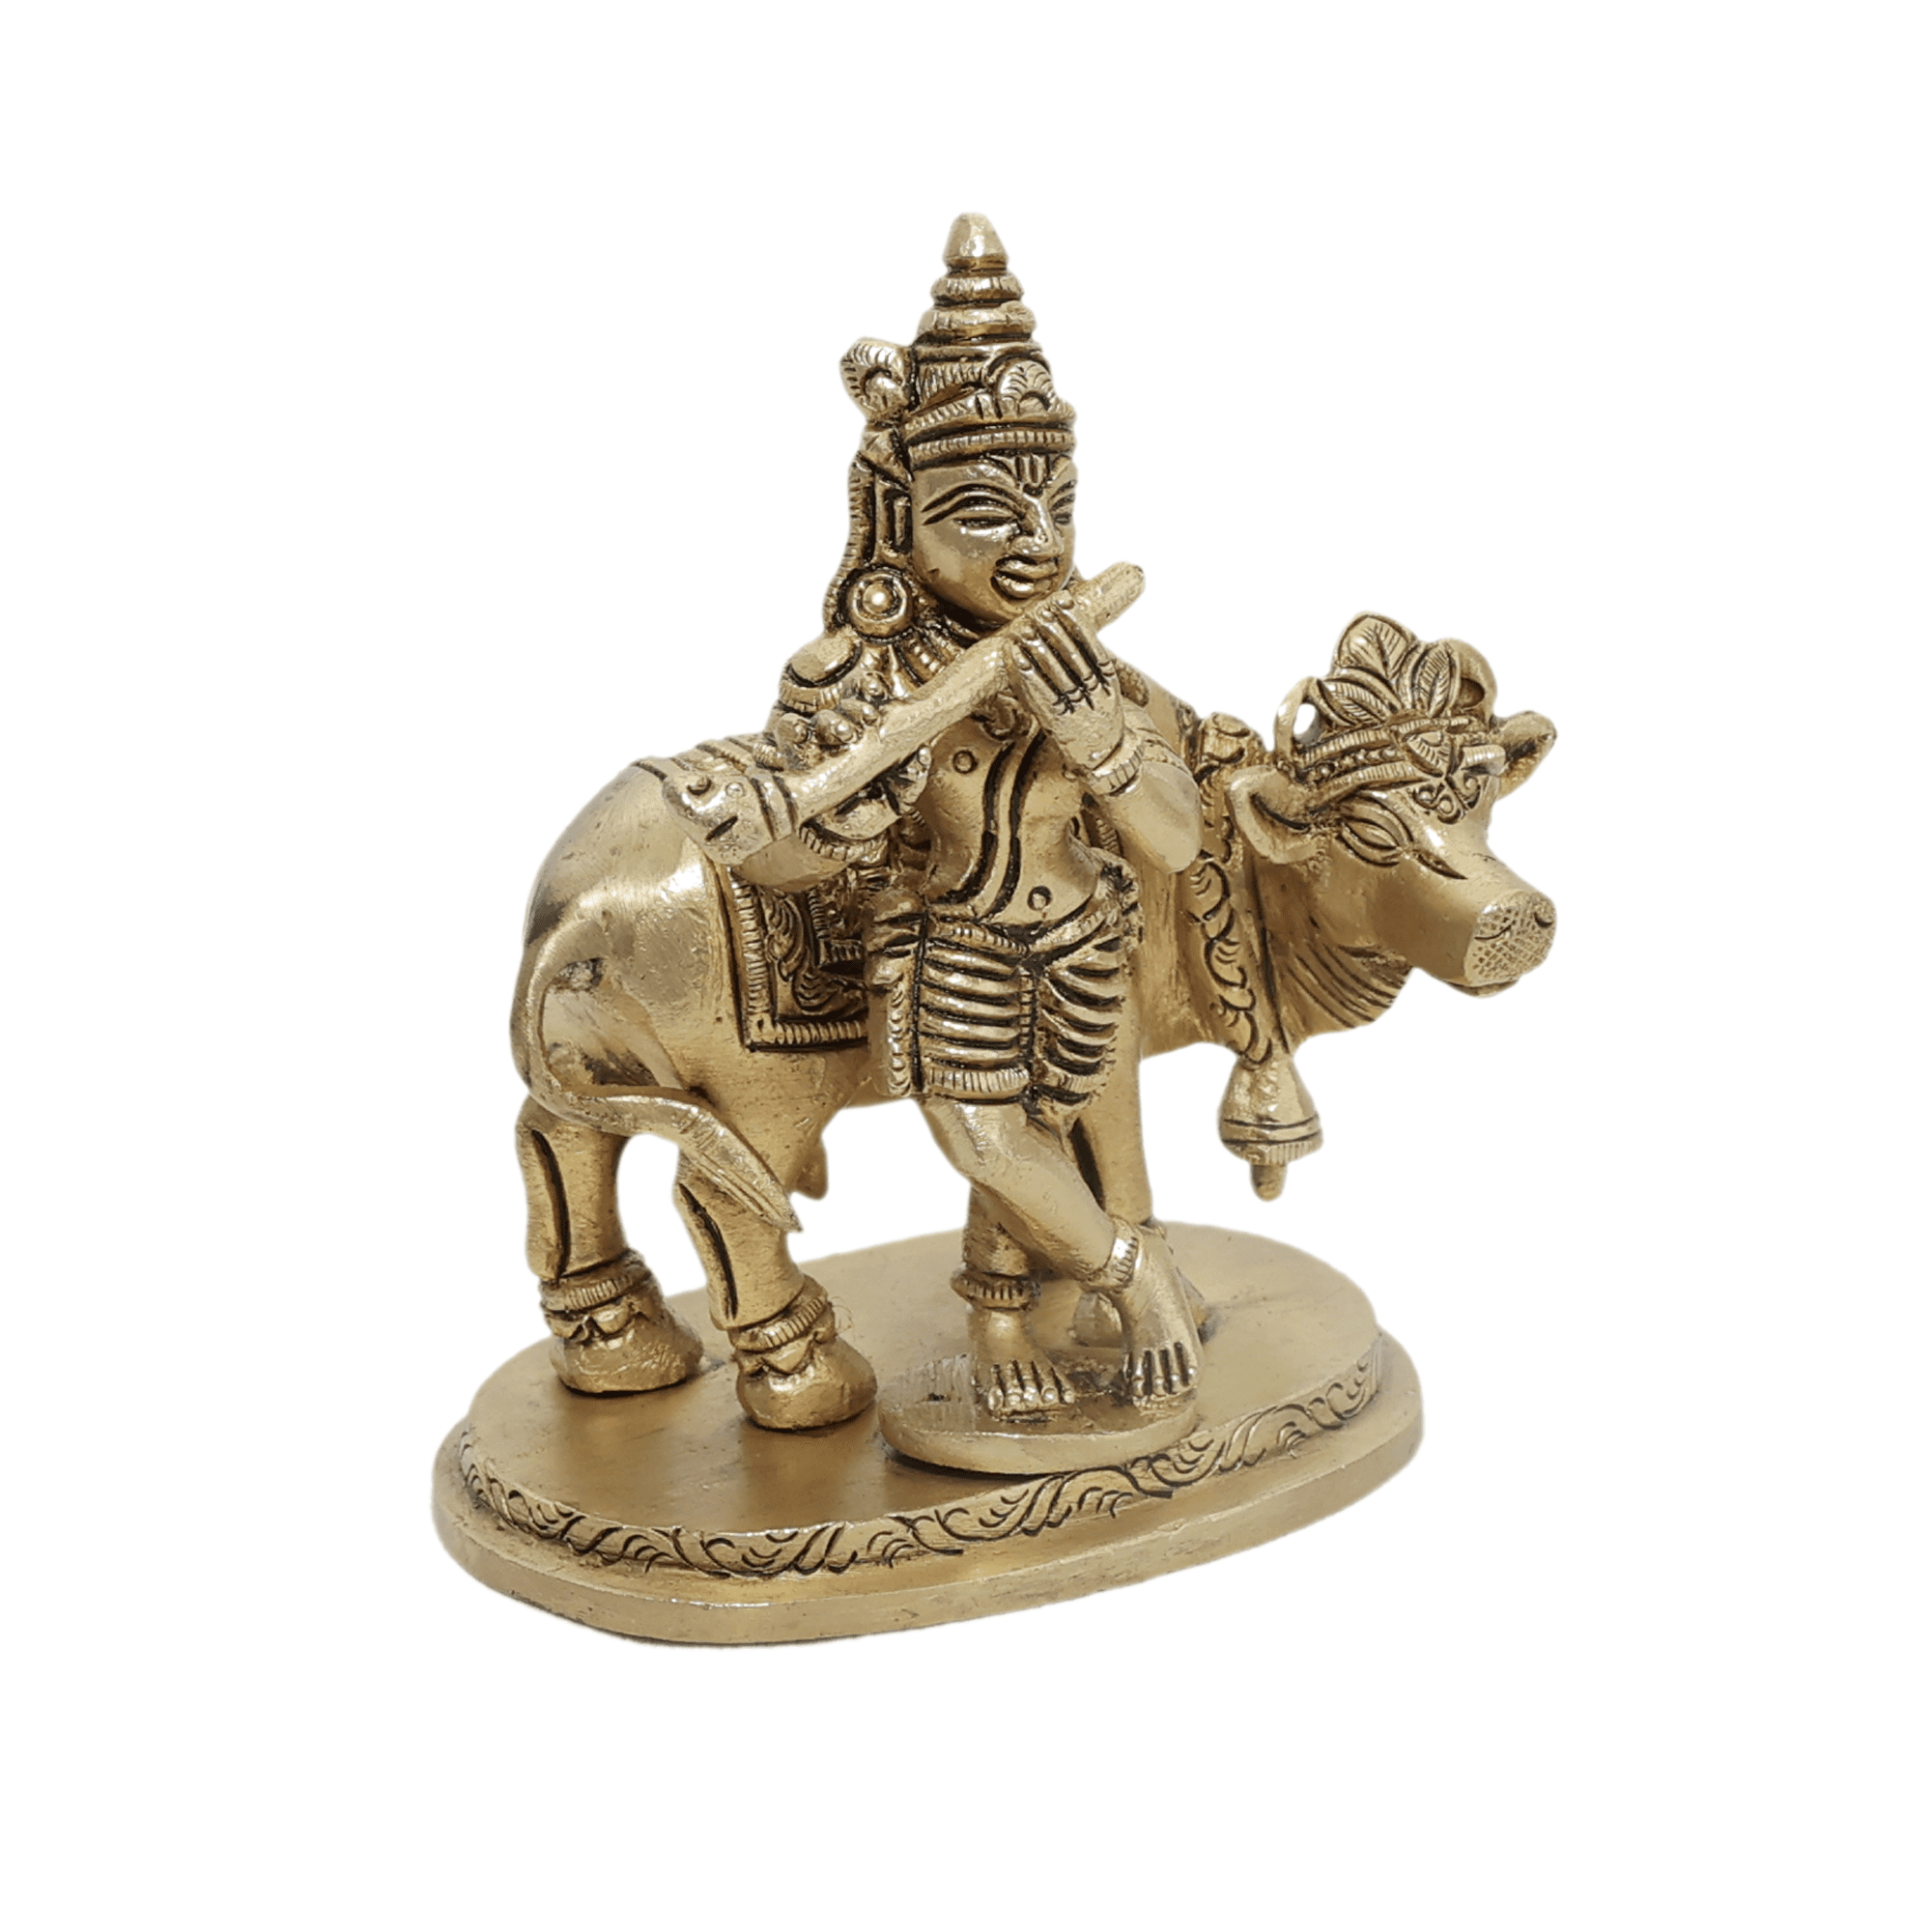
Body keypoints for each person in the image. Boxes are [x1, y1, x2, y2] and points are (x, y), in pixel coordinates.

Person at [738, 213, 1208, 1414]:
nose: (1038, 542)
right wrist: (841, 805)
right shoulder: (853, 676)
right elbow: (779, 859)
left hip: (1088, 937)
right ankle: (1127, 1276)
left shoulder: (1086, 660)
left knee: (1080, 1127)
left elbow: (1176, 838)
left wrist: (1100, 739)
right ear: (903, 518)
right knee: (985, 1139)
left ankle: (1031, 1306)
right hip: (958, 938)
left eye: (1057, 502)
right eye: (989, 511)